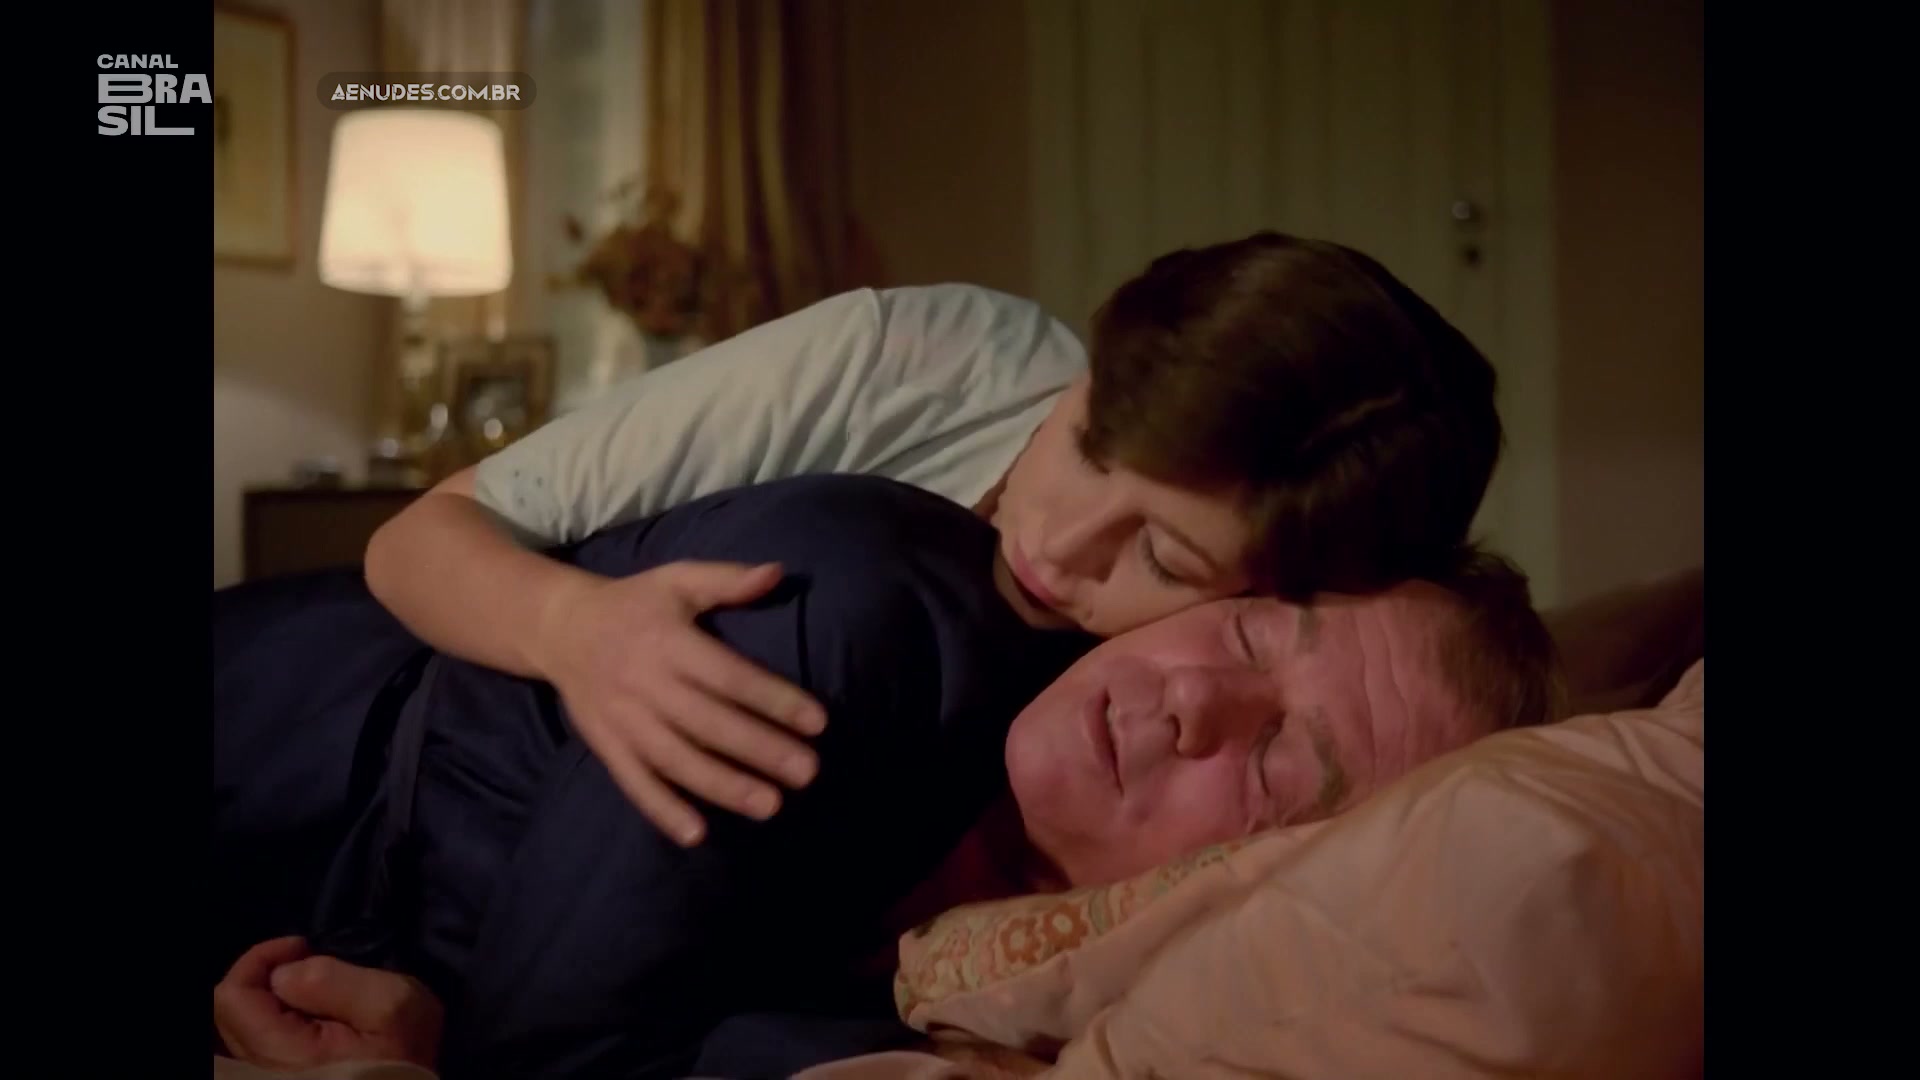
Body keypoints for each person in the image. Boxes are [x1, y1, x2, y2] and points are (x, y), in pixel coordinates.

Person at [215, 472, 1559, 1080]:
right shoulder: (864, 613)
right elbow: (539, 1058)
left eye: (1281, 764)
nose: (1196, 700)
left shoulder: (1051, 985)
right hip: (276, 753)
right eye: (1256, 636)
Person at [361, 232, 1506, 844]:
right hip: (378, 699)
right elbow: (419, 538)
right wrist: (578, 631)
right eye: (1087, 442)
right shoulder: (923, 362)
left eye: (1163, 558)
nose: (1060, 543)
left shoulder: (1170, 714)